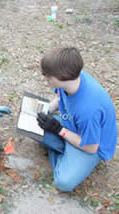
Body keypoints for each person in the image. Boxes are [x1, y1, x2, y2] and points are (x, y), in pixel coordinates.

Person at [37, 47, 117, 191]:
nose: (45, 78)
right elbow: (60, 96)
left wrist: (58, 130)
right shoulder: (72, 79)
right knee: (33, 127)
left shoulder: (88, 109)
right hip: (71, 126)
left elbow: (91, 148)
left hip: (91, 144)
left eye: (48, 76)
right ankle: (69, 155)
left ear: (62, 77)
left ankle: (69, 159)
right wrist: (47, 109)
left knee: (63, 183)